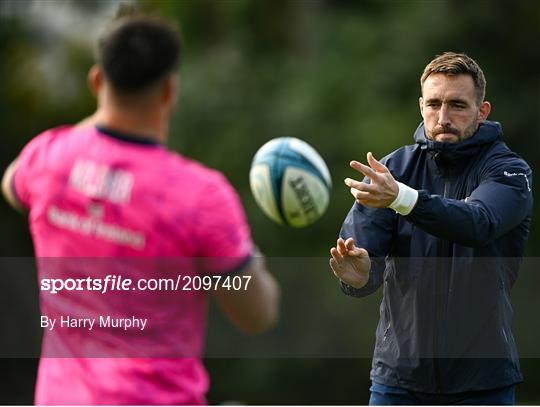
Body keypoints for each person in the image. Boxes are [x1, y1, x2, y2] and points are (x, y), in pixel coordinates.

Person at [1, 13, 279, 405]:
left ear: (98, 81)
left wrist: (98, 129)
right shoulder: (200, 195)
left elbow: (11, 184)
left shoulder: (47, 159)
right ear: (169, 91)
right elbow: (258, 315)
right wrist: (246, 256)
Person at [329, 52, 533, 405]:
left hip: (482, 384)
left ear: (482, 111)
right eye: (434, 104)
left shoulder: (510, 171)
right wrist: (357, 273)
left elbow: (478, 223)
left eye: (457, 105)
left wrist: (402, 198)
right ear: (421, 106)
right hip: (397, 383)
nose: (443, 118)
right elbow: (366, 268)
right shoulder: (393, 171)